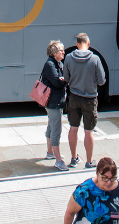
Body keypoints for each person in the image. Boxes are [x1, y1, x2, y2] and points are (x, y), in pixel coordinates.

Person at [65, 33, 106, 169]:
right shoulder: (95, 59)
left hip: (74, 97)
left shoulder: (69, 58)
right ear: (88, 43)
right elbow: (101, 81)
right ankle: (89, 161)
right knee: (88, 131)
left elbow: (66, 78)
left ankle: (73, 158)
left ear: (77, 44)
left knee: (73, 128)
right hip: (90, 99)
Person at [63, 157, 119, 224]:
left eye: (112, 178)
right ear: (97, 174)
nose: (109, 182)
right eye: (105, 178)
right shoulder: (84, 191)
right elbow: (70, 213)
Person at [42, 40, 69, 171]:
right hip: (53, 102)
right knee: (56, 130)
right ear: (54, 52)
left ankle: (50, 153)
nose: (63, 52)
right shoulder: (50, 65)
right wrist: (65, 80)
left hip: (55, 101)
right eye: (61, 50)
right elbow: (58, 83)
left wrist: (63, 79)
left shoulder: (57, 63)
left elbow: (61, 79)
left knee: (51, 126)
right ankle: (58, 160)